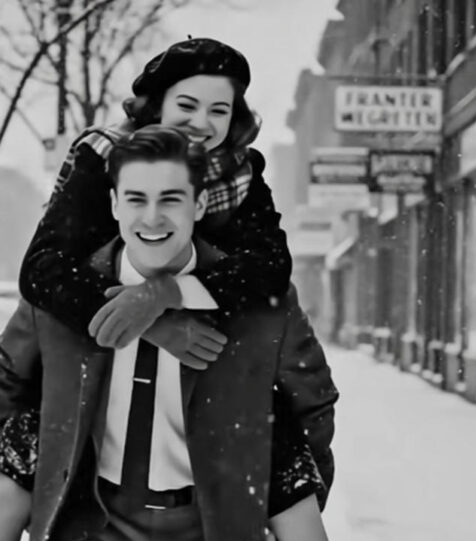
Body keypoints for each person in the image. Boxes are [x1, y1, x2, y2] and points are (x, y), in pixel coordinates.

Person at [0, 126, 337, 541]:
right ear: (115, 203)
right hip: (93, 532)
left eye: (171, 200)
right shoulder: (62, 290)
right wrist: (22, 485)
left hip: (211, 533)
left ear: (199, 204)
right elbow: (8, 372)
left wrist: (299, 496)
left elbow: (311, 396)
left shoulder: (259, 298)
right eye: (136, 199)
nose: (152, 218)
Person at [17, 37, 293, 366]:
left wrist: (168, 293)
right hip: (99, 366)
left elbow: (270, 266)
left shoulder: (241, 173)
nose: (201, 123)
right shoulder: (104, 158)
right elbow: (45, 270)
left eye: (218, 110)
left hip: (212, 369)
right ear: (159, 105)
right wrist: (150, 323)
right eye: (187, 106)